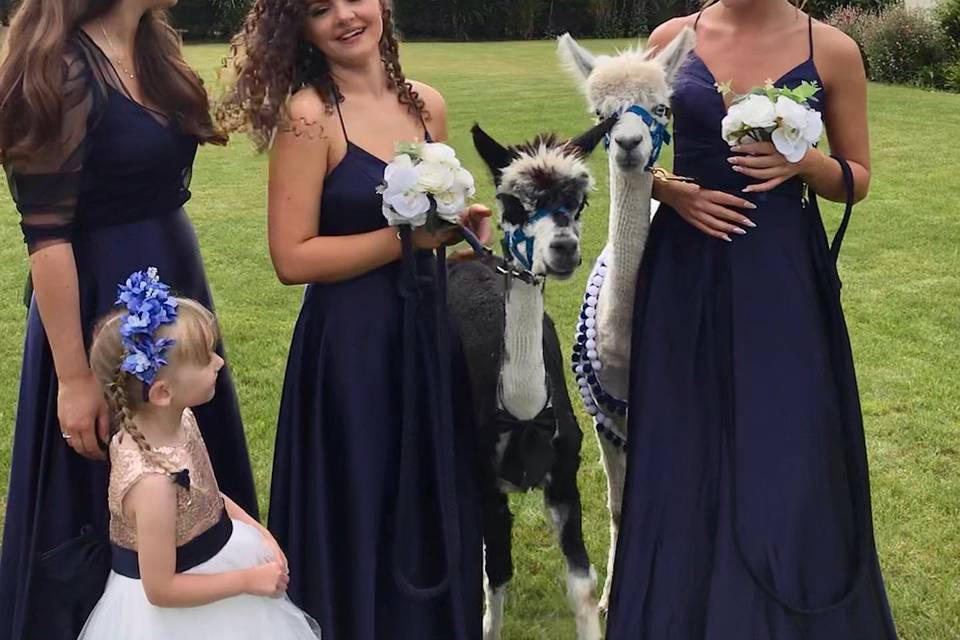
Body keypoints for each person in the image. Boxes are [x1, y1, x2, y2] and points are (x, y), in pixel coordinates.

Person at [606, 1, 899, 638]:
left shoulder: (834, 51)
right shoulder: (670, 38)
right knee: (683, 439)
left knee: (785, 440)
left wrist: (808, 164)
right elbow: (629, 150)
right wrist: (671, 190)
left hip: (782, 272)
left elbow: (858, 177)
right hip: (688, 267)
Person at [217, 1, 490, 638]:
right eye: (318, 8)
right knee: (362, 501)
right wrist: (408, 242)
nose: (344, 15)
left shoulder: (427, 105)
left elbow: (424, 230)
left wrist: (453, 230)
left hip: (426, 333)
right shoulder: (309, 116)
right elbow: (292, 256)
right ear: (299, 29)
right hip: (352, 350)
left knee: (428, 497)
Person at [0, 2, 258, 638]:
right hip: (103, 309)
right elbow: (48, 239)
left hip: (171, 282)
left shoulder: (152, 49)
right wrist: (76, 379)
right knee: (112, 480)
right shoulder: (58, 68)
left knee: (190, 458)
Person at [78, 268, 320, 640]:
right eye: (207, 358)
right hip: (178, 614)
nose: (219, 363)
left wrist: (260, 534)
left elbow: (208, 495)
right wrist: (246, 580)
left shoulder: (181, 420)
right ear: (162, 393)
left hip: (222, 559)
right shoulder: (153, 485)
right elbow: (160, 591)